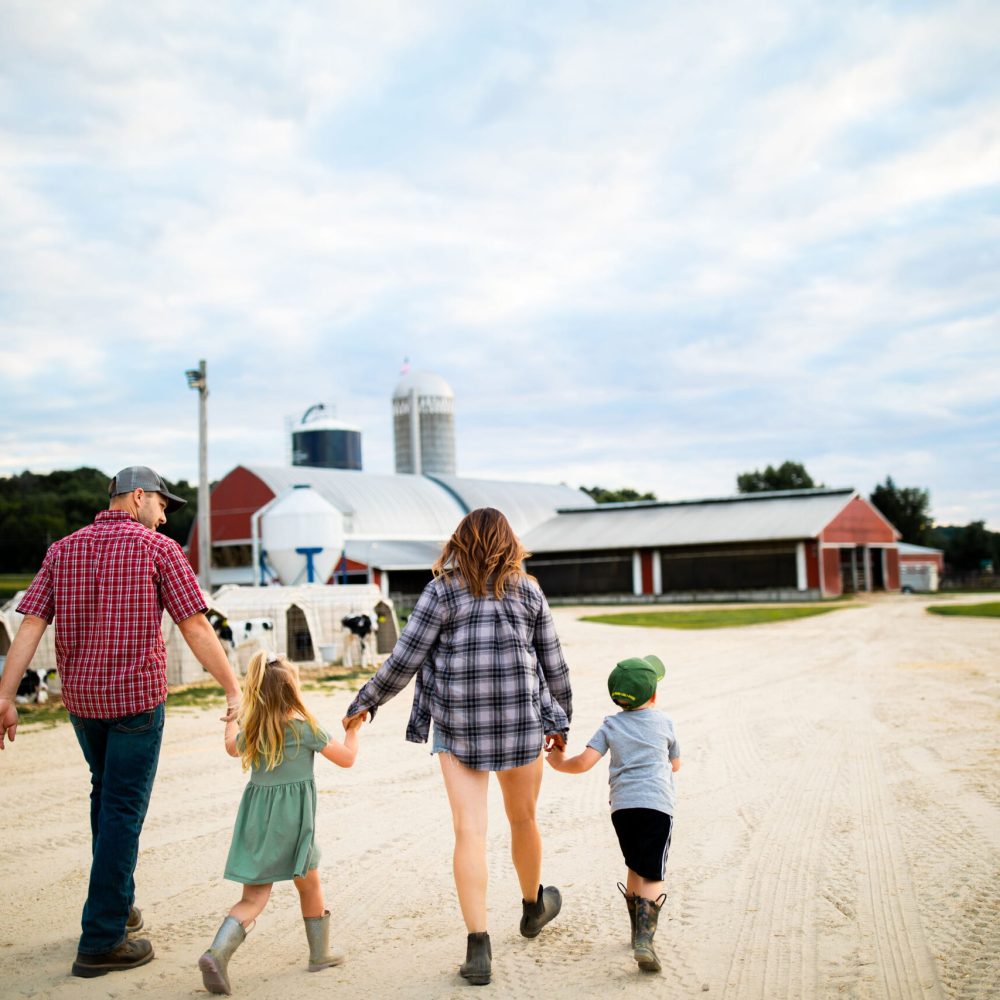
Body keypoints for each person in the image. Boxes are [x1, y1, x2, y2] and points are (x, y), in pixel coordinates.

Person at [0, 465, 242, 978]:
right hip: (135, 704)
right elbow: (195, 625)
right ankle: (102, 939)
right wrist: (232, 686)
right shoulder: (158, 550)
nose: (164, 517)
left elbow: (30, 624)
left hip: (83, 706)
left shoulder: (62, 550)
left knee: (106, 795)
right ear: (137, 497)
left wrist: (5, 695)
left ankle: (118, 901)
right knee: (122, 811)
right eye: (162, 506)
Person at [342, 507, 572, 986]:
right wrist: (561, 722)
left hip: (458, 727)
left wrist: (366, 701)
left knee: (470, 832)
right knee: (523, 818)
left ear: (458, 542)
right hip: (522, 724)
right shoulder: (528, 590)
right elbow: (554, 666)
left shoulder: (440, 591)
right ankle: (533, 907)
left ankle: (478, 948)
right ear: (510, 544)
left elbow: (404, 660)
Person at [199, 650, 362, 996]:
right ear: (293, 691)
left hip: (258, 822)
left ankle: (217, 953)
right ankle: (319, 954)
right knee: (309, 883)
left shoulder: (255, 729)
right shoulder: (306, 728)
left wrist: (233, 717)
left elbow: (231, 747)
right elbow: (347, 759)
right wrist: (354, 730)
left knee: (254, 898)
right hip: (295, 825)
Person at [546, 654, 680, 974]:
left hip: (622, 809)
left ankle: (637, 931)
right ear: (654, 695)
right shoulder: (664, 723)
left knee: (635, 863)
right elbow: (675, 764)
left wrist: (558, 763)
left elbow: (583, 762)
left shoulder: (611, 724)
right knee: (652, 873)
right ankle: (645, 940)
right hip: (657, 806)